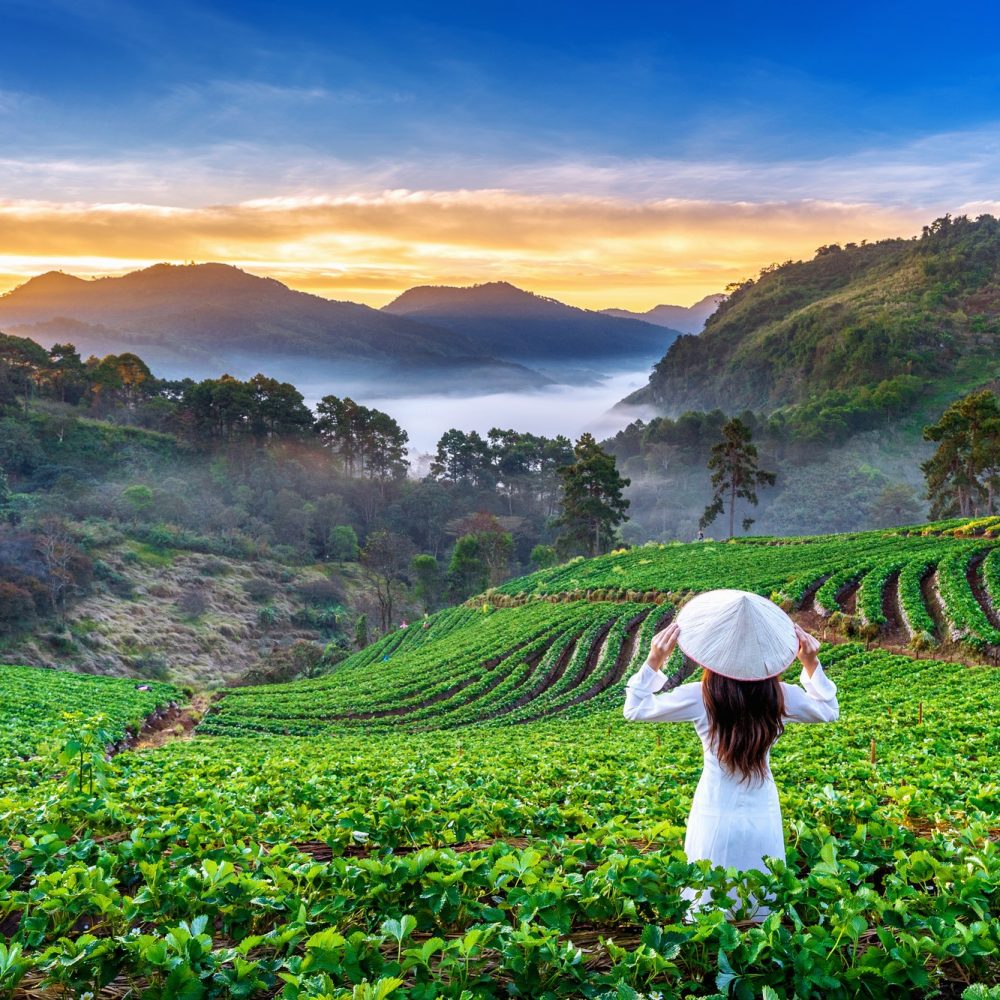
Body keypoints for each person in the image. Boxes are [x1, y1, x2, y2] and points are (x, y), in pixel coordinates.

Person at [623, 588, 839, 921]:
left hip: (714, 811)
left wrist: (654, 660)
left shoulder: (701, 696)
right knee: (759, 909)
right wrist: (810, 663)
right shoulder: (780, 696)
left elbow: (635, 707)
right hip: (762, 811)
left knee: (707, 911)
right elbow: (828, 710)